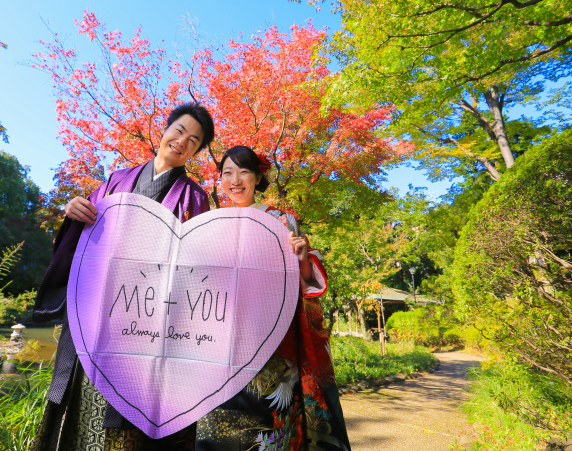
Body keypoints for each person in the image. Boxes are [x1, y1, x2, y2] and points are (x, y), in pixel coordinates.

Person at [30, 103, 215, 451]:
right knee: (78, 399)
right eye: (178, 131)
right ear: (165, 129)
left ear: (197, 151)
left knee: (124, 413)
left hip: (141, 323)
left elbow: (195, 266)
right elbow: (84, 229)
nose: (181, 142)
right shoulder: (116, 180)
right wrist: (74, 210)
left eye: (193, 140)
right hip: (94, 309)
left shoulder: (194, 197)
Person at [189, 145, 351, 450]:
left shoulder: (282, 221)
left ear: (257, 177)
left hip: (272, 342)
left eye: (244, 171)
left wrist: (302, 256)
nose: (235, 180)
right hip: (217, 340)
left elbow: (306, 283)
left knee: (270, 425)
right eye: (227, 172)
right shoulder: (209, 224)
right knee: (215, 427)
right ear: (220, 179)